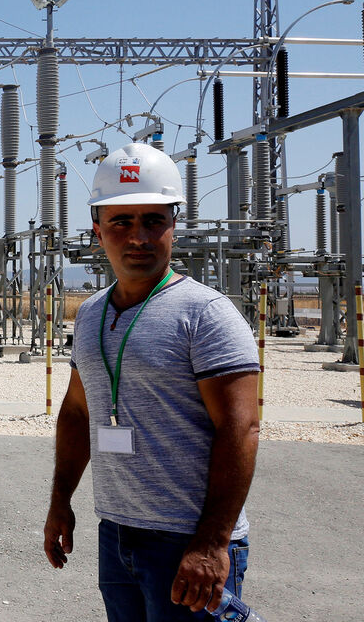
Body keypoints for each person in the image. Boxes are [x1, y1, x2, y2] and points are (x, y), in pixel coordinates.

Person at [43, 142, 261, 621]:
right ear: (98, 230)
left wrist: (211, 543)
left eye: (152, 220)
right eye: (121, 221)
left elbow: (240, 429)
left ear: (173, 226)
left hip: (187, 541)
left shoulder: (206, 315)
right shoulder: (93, 314)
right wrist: (61, 501)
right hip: (117, 531)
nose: (137, 236)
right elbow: (79, 410)